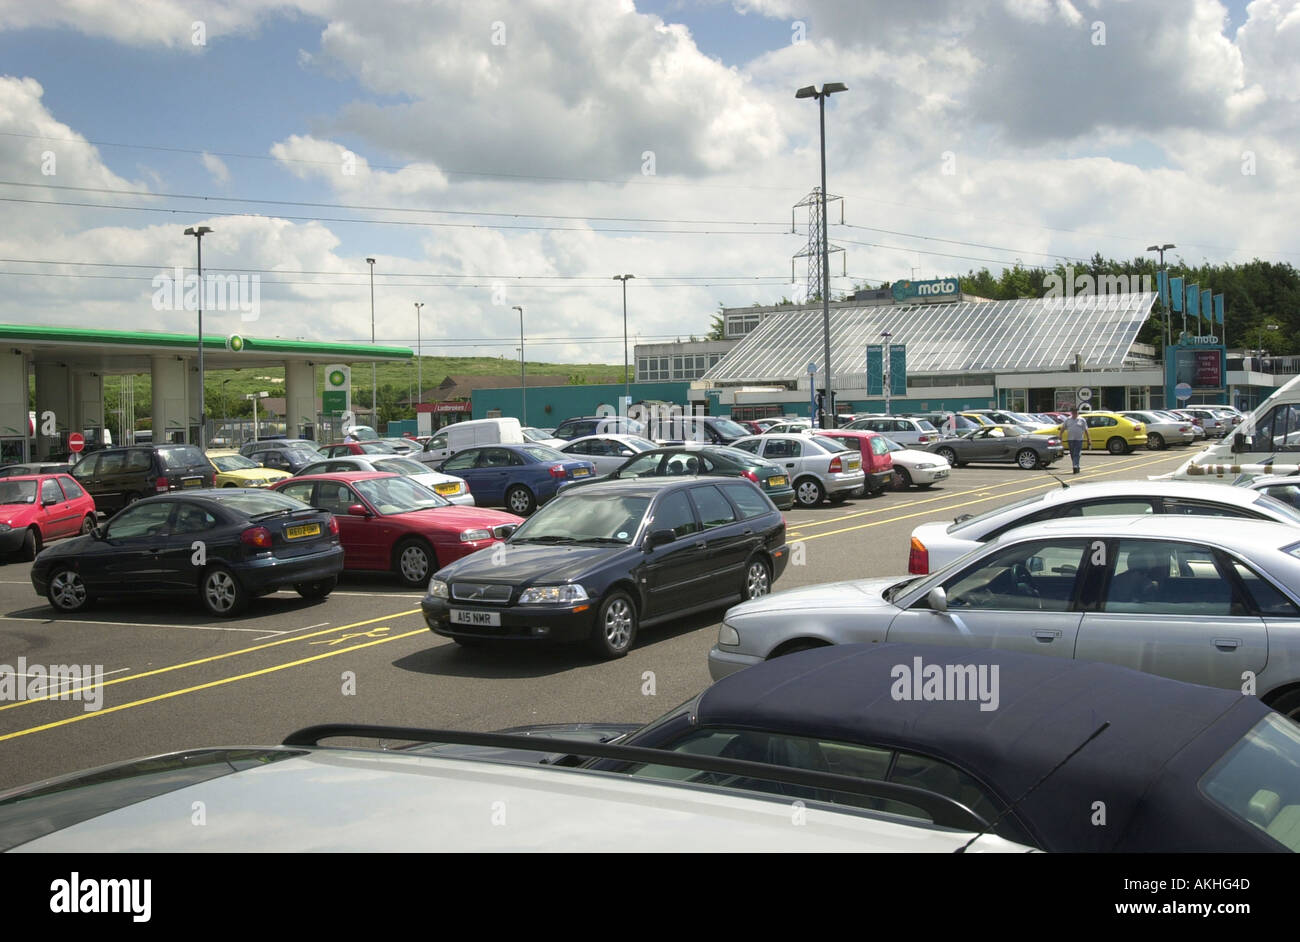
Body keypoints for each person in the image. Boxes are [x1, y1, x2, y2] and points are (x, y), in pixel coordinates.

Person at [1062, 407, 1088, 474]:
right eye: (1073, 412)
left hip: (1079, 439)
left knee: (1076, 453)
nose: (1074, 414)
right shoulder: (1068, 420)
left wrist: (1089, 439)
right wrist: (1060, 435)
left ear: (1077, 413)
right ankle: (1076, 464)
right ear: (1071, 413)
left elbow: (1086, 430)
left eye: (1076, 412)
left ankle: (1075, 466)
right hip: (1070, 439)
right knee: (1072, 453)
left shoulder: (1081, 420)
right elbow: (1063, 427)